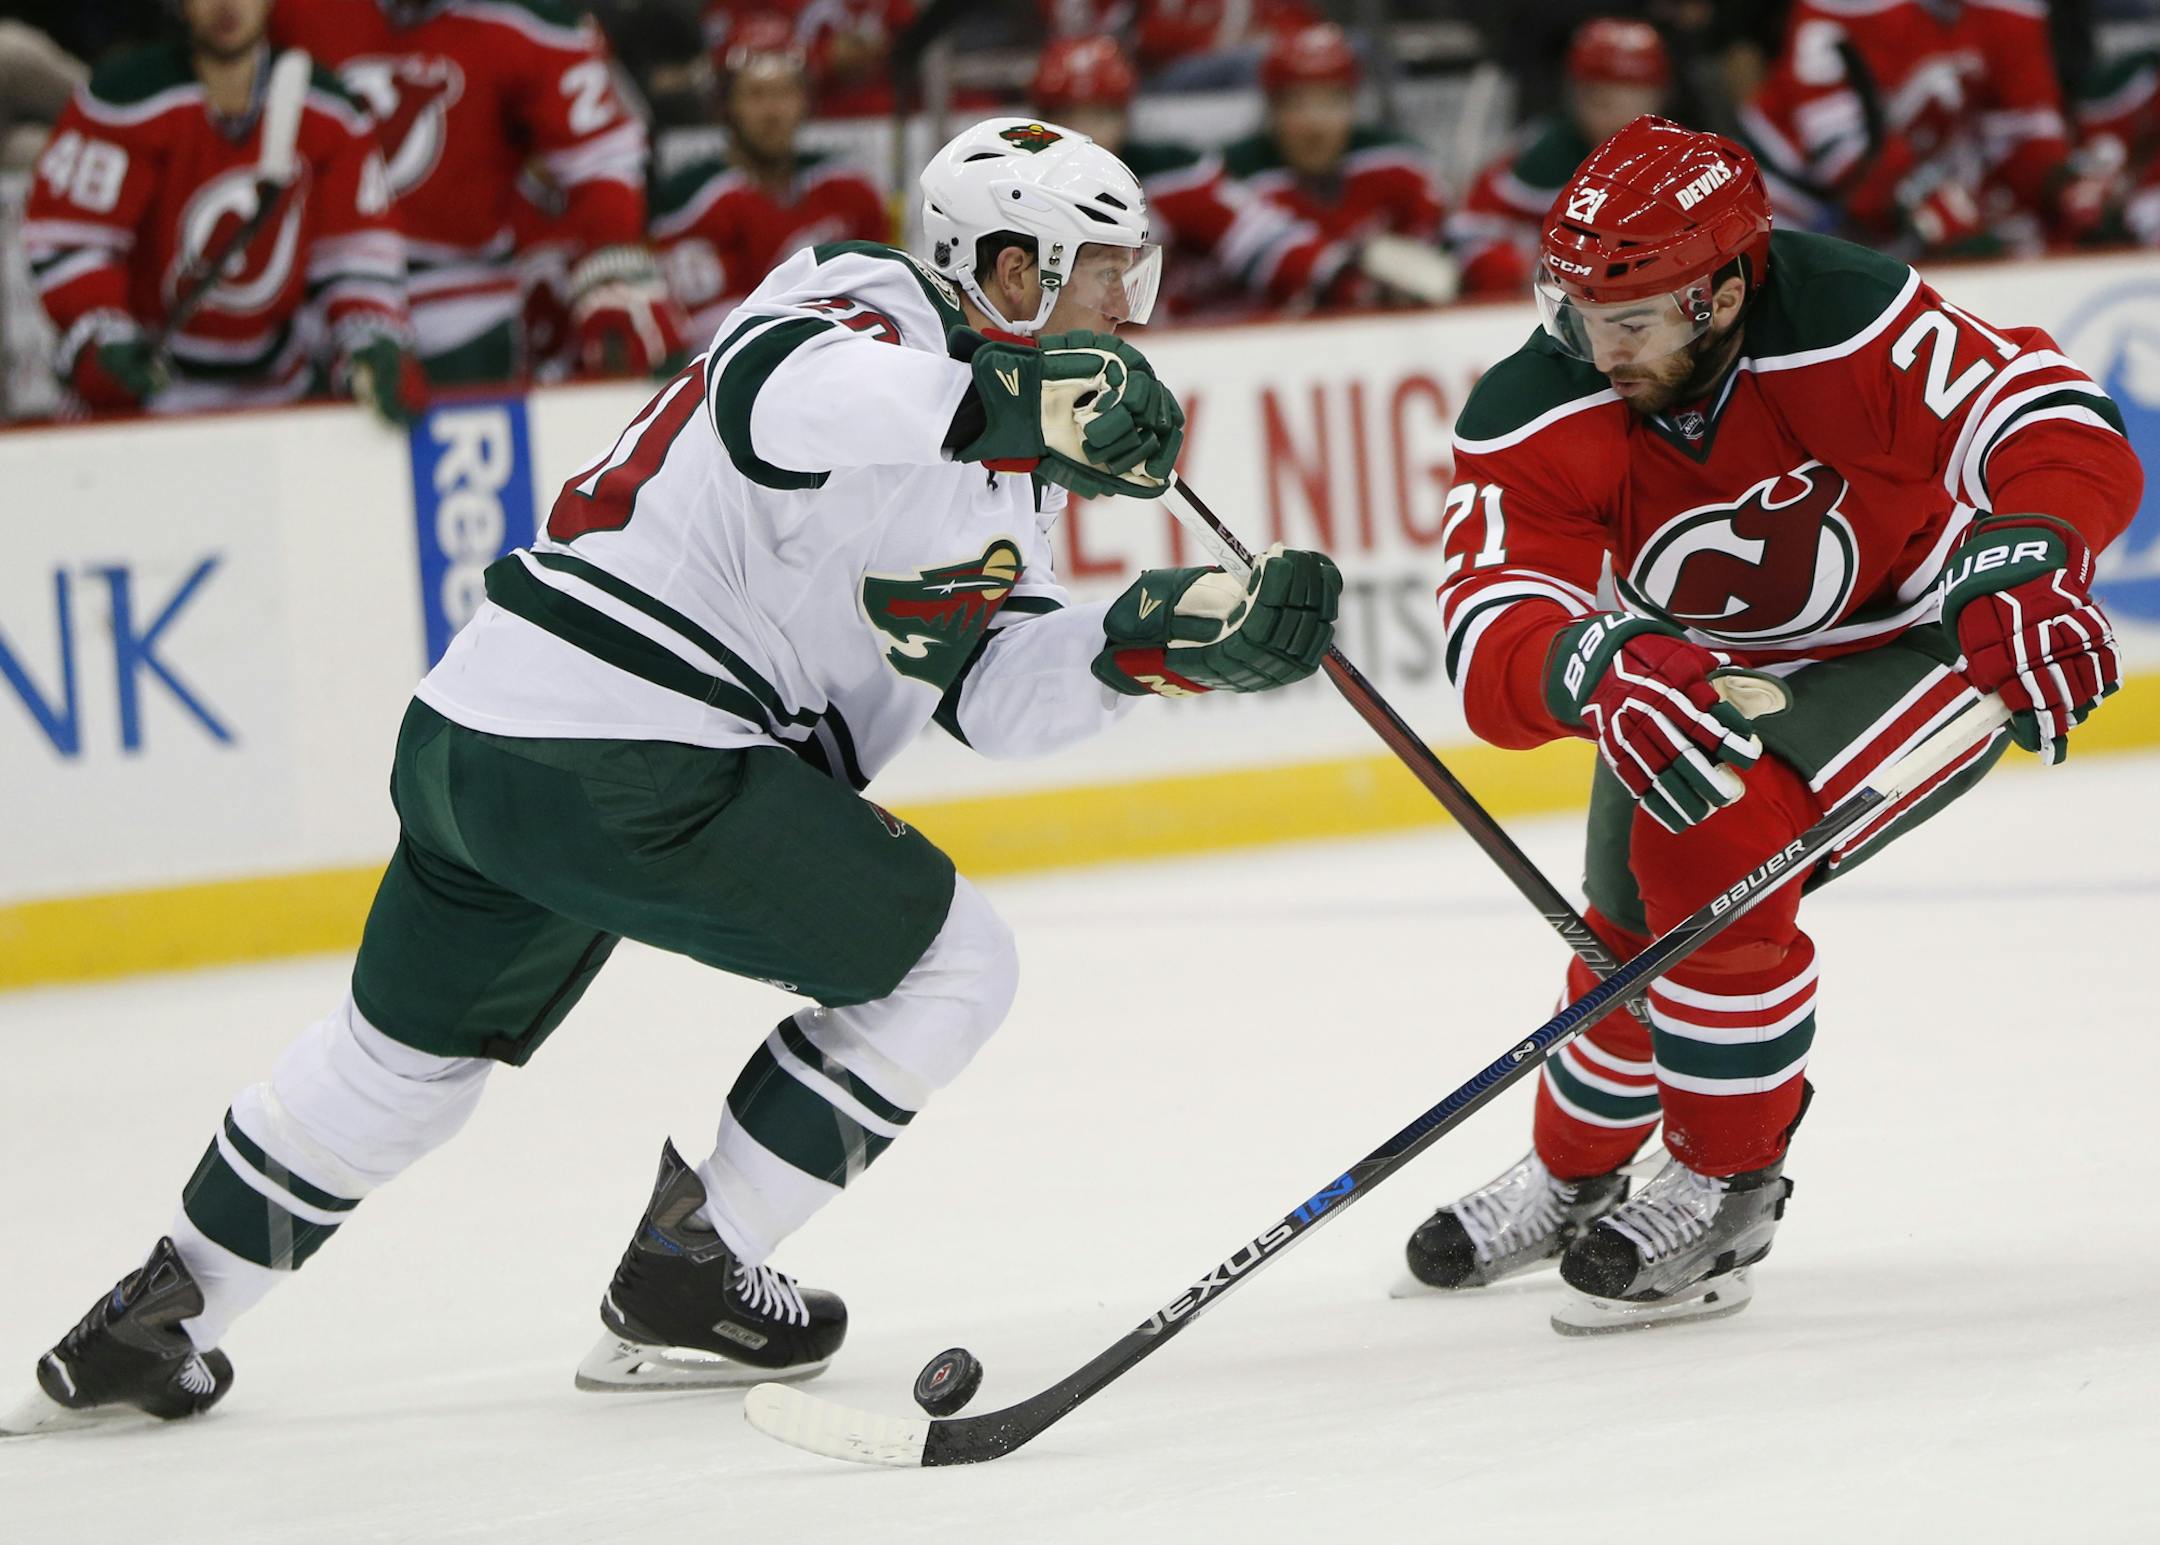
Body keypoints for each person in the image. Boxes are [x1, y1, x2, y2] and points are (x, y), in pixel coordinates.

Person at [9, 115, 1341, 1433]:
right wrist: (1011, 404)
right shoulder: (862, 301)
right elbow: (777, 398)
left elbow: (988, 691)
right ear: (1007, 265)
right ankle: (691, 1267)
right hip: (636, 748)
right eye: (1103, 268)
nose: (1132, 302)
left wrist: (1152, 644)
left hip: (482, 740)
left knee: (398, 1067)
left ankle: (162, 1308)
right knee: (952, 964)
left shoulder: (1002, 477)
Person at [1402, 117, 2138, 1334]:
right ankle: (1576, 1177)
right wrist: (1588, 658)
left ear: (1729, 289)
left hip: (1909, 634)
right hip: (1700, 665)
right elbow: (1493, 622)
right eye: (1580, 308)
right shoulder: (1541, 397)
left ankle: (1725, 1183)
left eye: (1633, 318)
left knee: (1713, 837)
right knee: (1622, 929)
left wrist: (2031, 547)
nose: (1600, 345)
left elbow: (2051, 416)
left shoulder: (1848, 315)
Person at [21, 0, 420, 421]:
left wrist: (369, 338)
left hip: (283, 397)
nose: (228, 5)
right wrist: (100, 338)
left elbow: (356, 253)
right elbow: (71, 239)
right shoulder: (127, 96)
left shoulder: (328, 108)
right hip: (149, 395)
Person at [272, 0, 688, 384]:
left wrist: (612, 268)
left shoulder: (528, 22)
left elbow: (601, 159)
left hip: (464, 309)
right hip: (314, 309)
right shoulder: (294, 13)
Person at [1737, 0, 2117, 256]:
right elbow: (1838, 145)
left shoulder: (2009, 11)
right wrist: (1921, 198)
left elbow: (2025, 128)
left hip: (1912, 176)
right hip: (1784, 195)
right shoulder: (1850, 7)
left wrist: (2063, 186)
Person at [1029, 33, 1347, 319]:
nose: (1085, 133)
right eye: (1065, 115)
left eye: (1102, 115)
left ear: (1126, 117)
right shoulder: (1013, 190)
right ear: (1041, 123)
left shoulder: (1173, 176)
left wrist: (1338, 273)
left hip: (1166, 354)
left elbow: (1262, 238)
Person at [649, 12, 887, 344]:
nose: (772, 112)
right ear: (727, 105)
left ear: (806, 100)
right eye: (756, 95)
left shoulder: (849, 190)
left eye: (785, 93)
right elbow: (701, 338)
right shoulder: (690, 203)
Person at [1221, 22, 1459, 309]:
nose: (1315, 124)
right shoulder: (1234, 178)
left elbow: (1442, 264)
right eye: (1297, 103)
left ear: (1353, 104)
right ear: (1271, 110)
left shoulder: (1399, 163)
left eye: (1332, 101)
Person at [1448, 17, 1673, 297]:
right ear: (1576, 95)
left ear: (1659, 97)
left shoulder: (1682, 157)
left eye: (1636, 96)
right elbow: (1471, 236)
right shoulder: (1540, 156)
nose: (1617, 115)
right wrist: (1524, 270)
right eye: (1599, 98)